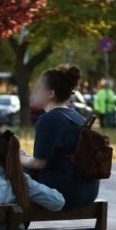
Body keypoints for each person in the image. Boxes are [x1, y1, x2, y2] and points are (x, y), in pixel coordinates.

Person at [22, 64, 100, 208]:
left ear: (50, 93)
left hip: (63, 194)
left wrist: (18, 158)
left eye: (39, 88)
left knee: (10, 172)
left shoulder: (49, 119)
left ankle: (12, 227)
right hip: (87, 192)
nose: (34, 91)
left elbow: (39, 163)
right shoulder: (76, 117)